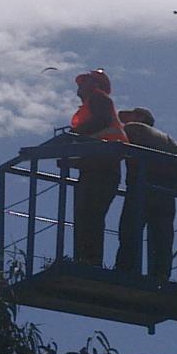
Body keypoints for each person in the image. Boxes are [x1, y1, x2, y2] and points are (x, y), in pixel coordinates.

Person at [113, 107, 177, 283]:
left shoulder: (133, 128)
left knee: (130, 231)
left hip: (141, 188)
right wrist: (174, 180)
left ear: (141, 117)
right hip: (165, 192)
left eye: (131, 115)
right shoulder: (166, 138)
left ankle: (125, 270)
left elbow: (113, 145)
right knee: (162, 236)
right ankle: (161, 275)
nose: (126, 120)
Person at [69, 70, 128, 267]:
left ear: (95, 84)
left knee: (90, 214)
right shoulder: (91, 104)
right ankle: (84, 259)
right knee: (86, 214)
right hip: (95, 166)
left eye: (84, 82)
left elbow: (100, 123)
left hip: (103, 167)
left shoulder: (99, 99)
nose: (80, 86)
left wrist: (74, 134)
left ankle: (89, 260)